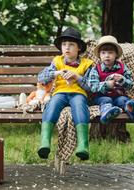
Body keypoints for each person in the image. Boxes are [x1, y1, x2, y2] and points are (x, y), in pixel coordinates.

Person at [37, 27, 93, 160]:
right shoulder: (57, 61)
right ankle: (45, 142)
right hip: (60, 93)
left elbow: (91, 86)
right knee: (53, 105)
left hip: (78, 93)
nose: (67, 48)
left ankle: (83, 145)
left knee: (80, 107)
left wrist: (77, 77)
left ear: (79, 47)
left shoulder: (87, 64)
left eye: (71, 45)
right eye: (64, 44)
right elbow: (41, 78)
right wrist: (56, 73)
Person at [88, 35, 134, 124]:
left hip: (118, 96)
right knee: (106, 100)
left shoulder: (122, 67)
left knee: (123, 100)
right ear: (99, 55)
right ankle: (107, 112)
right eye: (103, 53)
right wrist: (107, 85)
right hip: (101, 97)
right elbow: (93, 87)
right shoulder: (96, 69)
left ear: (116, 54)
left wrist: (122, 80)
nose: (107, 55)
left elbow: (130, 85)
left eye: (110, 53)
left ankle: (130, 110)